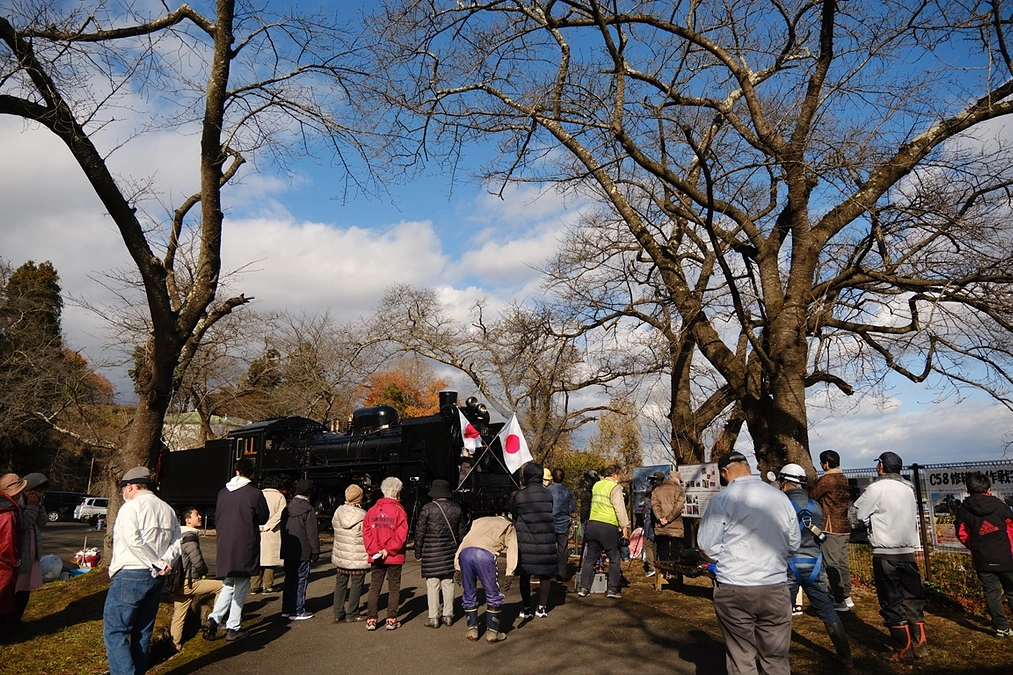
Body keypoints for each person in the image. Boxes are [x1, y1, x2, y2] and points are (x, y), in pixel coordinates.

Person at [697, 451, 801, 675]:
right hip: (775, 585)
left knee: (741, 656)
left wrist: (721, 560)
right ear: (748, 467)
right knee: (776, 658)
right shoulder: (779, 497)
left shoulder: (722, 499)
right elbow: (794, 543)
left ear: (725, 472)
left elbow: (706, 545)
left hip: (735, 586)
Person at [104, 467, 182, 675]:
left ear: (129, 486)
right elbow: (177, 540)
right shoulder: (167, 509)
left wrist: (155, 561)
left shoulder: (130, 508)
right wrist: (164, 561)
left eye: (124, 489)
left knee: (116, 631)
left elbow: (132, 541)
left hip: (131, 572)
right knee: (143, 632)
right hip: (156, 577)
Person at [775, 464, 853, 667]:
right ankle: (845, 656)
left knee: (781, 614)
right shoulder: (815, 506)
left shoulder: (779, 505)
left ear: (786, 482)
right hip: (814, 565)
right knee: (827, 609)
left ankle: (775, 656)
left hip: (788, 566)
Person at [854, 451, 928, 661]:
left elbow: (859, 513)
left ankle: (901, 648)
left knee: (891, 601)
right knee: (913, 598)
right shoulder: (908, 488)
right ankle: (920, 644)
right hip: (908, 552)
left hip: (885, 553)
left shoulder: (876, 488)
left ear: (881, 466)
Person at [202, 458, 269, 642]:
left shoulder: (223, 492)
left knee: (228, 584)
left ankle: (214, 619)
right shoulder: (254, 494)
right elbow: (263, 517)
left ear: (236, 471)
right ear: (252, 473)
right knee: (241, 585)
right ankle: (233, 626)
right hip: (245, 543)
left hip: (225, 543)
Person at [955, 472, 1013, 638]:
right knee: (1012, 591)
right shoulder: (1001, 506)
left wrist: (974, 546)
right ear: (989, 488)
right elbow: (1011, 528)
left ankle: (1001, 628)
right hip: (1007, 557)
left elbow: (962, 533)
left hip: (982, 559)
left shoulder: (963, 510)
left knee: (992, 594)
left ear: (967, 489)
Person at [455, 514, 518, 643]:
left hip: (465, 553)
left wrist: (457, 566)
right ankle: (492, 632)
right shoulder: (508, 526)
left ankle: (472, 629)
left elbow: (464, 541)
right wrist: (510, 572)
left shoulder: (479, 521)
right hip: (485, 554)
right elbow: (513, 549)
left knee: (469, 591)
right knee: (492, 593)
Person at [169, 508, 223, 652]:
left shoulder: (178, 535)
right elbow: (197, 561)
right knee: (222, 587)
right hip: (189, 581)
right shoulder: (190, 537)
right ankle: (215, 620)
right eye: (196, 515)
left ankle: (175, 646)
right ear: (187, 520)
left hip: (177, 582)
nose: (200, 517)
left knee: (179, 615)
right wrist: (204, 572)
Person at [415, 479, 464, 628]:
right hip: (450, 551)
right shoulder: (457, 508)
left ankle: (433, 617)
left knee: (433, 584)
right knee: (448, 583)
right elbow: (462, 533)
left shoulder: (427, 509)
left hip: (431, 552)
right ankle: (448, 616)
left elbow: (419, 532)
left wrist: (418, 552)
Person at [577, 465, 630, 599]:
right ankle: (612, 589)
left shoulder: (596, 486)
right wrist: (625, 527)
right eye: (620, 475)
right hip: (608, 527)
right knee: (614, 558)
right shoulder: (615, 487)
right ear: (614, 475)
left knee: (590, 558)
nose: (621, 477)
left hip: (593, 525)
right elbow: (620, 508)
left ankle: (583, 588)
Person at [511, 462, 557, 619]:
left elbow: (515, 514)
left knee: (525, 574)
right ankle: (542, 608)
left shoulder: (520, 495)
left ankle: (526, 608)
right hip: (546, 539)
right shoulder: (548, 494)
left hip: (526, 540)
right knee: (545, 574)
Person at [811, 450, 854, 611]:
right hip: (844, 525)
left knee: (831, 564)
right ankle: (847, 595)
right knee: (843, 562)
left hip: (830, 527)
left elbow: (813, 495)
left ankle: (839, 600)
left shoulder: (827, 479)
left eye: (822, 463)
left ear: (826, 464)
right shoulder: (843, 478)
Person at [363, 476, 408, 631]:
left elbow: (366, 532)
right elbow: (401, 535)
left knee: (375, 586)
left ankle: (371, 619)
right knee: (394, 587)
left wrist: (376, 550)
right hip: (393, 555)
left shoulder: (372, 510)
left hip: (376, 555)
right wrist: (388, 550)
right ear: (396, 493)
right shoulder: (399, 510)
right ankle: (391, 619)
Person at [281, 478, 320, 621]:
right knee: (301, 579)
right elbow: (311, 532)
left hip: (288, 549)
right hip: (303, 550)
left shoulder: (287, 508)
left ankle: (286, 608)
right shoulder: (308, 509)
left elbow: (283, 530)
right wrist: (315, 550)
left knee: (289, 579)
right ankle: (297, 610)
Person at [12, 472, 48, 627]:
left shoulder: (35, 505)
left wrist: (38, 507)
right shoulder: (15, 506)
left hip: (31, 556)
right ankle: (10, 620)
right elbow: (23, 524)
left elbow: (42, 522)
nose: (38, 495)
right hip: (20, 557)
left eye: (41, 492)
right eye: (35, 491)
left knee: (25, 589)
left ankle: (17, 619)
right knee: (16, 590)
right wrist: (32, 507)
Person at [331, 484, 370, 623]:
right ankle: (352, 612)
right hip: (358, 554)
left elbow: (335, 527)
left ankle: (337, 612)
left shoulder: (338, 512)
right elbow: (367, 535)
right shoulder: (363, 515)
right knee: (357, 583)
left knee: (340, 582)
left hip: (342, 553)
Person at [251, 475, 286, 594]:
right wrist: (269, 525)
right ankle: (268, 585)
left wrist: (258, 524)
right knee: (270, 561)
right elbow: (282, 513)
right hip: (272, 531)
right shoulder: (280, 497)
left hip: (257, 529)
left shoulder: (257, 495)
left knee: (258, 558)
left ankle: (254, 586)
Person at [0, 473, 25, 633]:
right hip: (4, 565)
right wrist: (13, 561)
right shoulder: (8, 513)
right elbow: (7, 541)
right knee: (3, 598)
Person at [546, 468, 575, 582]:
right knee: (562, 549)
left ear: (552, 478)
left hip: (549, 523)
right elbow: (571, 508)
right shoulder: (567, 492)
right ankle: (561, 575)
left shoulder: (547, 491)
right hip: (563, 523)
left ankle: (548, 573)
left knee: (549, 548)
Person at [651, 469, 685, 568]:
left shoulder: (657, 490)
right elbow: (678, 507)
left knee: (663, 549)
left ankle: (663, 571)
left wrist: (660, 518)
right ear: (676, 478)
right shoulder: (679, 490)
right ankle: (673, 573)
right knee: (675, 549)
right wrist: (669, 518)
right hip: (675, 525)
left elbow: (654, 505)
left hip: (661, 525)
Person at [641, 471, 664, 578]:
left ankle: (652, 567)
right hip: (660, 520)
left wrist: (645, 517)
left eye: (654, 479)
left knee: (649, 543)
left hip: (652, 519)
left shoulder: (653, 490)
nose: (652, 481)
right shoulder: (664, 490)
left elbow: (649, 507)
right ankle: (658, 566)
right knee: (658, 543)